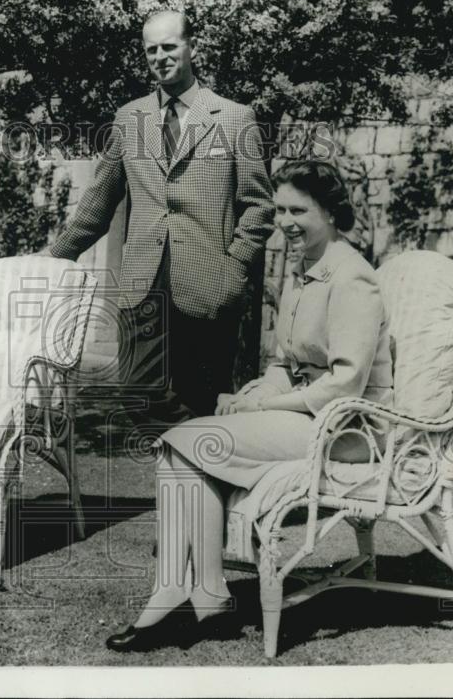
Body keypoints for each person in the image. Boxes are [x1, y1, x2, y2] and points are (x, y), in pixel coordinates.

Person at [105, 160, 394, 652]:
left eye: (298, 211)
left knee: (193, 440)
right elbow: (286, 362)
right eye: (279, 210)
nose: (285, 222)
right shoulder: (303, 269)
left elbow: (344, 385)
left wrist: (266, 406)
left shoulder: (352, 278)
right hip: (307, 414)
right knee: (181, 443)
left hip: (348, 429)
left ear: (330, 212)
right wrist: (250, 397)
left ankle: (193, 592)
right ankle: (197, 592)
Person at [49, 10, 275, 428]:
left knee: (202, 400)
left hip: (209, 283)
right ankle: (180, 450)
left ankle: (185, 467)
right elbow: (99, 200)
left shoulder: (234, 117)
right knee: (138, 394)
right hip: (143, 281)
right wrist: (55, 257)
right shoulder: (129, 118)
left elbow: (258, 205)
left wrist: (235, 265)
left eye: (169, 46)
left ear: (192, 48)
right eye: (151, 50)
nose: (160, 57)